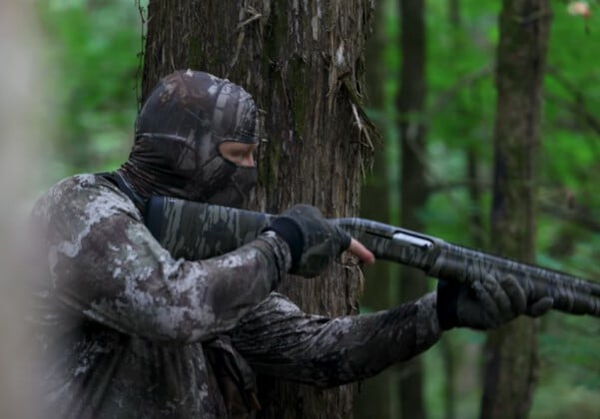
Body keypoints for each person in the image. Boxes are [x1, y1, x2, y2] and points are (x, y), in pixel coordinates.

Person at [31, 69, 553, 419]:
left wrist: (437, 313)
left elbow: (313, 352)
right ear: (185, 151)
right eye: (237, 155)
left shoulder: (207, 249)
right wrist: (281, 246)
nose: (251, 172)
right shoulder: (80, 207)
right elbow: (171, 308)